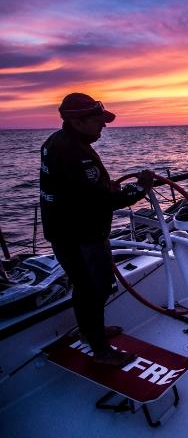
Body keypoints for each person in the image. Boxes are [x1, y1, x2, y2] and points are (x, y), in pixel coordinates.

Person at [40, 93, 154, 367]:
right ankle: (102, 350)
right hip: (83, 235)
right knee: (95, 289)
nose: (103, 126)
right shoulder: (77, 153)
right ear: (77, 122)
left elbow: (76, 189)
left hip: (61, 231)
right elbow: (101, 200)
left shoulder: (55, 142)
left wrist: (103, 187)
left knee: (82, 286)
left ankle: (90, 333)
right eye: (98, 121)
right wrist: (140, 188)